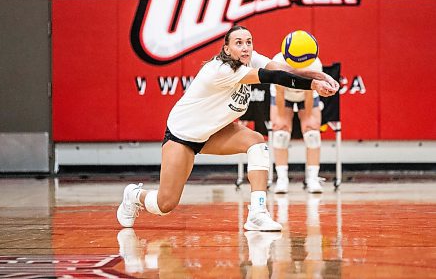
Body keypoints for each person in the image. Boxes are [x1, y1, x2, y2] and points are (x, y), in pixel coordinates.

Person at [116, 25, 338, 231]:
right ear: (227, 48)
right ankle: (134, 194)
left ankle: (257, 213)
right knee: (164, 204)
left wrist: (318, 74)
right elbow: (274, 77)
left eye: (249, 42)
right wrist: (312, 85)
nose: (245, 47)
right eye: (238, 43)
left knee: (256, 141)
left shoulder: (251, 59)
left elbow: (281, 68)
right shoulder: (221, 70)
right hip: (183, 135)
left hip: (214, 132)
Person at [270, 35, 324, 193]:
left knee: (312, 133)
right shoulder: (277, 62)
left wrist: (307, 121)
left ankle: (312, 179)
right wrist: (281, 120)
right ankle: (282, 179)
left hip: (306, 95)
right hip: (283, 95)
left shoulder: (315, 64)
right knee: (280, 132)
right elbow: (279, 92)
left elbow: (309, 94)